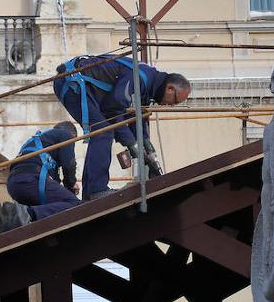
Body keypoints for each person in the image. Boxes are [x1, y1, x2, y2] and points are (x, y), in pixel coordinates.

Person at [53, 54, 191, 200]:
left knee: (103, 131)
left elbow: (135, 118)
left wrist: (147, 147)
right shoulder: (140, 79)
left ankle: (91, 192)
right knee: (103, 132)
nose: (170, 105)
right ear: (170, 88)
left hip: (82, 86)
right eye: (174, 101)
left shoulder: (148, 85)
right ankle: (96, 190)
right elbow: (112, 110)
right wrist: (131, 143)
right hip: (72, 83)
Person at [1, 121, 81, 230]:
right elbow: (69, 164)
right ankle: (28, 213)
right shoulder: (65, 134)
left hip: (14, 184)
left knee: (48, 210)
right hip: (31, 180)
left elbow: (54, 181)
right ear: (73, 136)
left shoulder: (38, 140)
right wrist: (71, 184)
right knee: (75, 204)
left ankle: (17, 214)